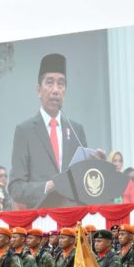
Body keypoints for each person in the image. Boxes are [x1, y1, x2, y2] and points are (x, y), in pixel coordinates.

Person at [9, 53, 88, 209]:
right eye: (49, 83)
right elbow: (15, 187)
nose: (55, 90)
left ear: (65, 91)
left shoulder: (76, 130)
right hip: (41, 220)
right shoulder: (24, 131)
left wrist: (95, 167)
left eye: (61, 84)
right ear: (39, 90)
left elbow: (84, 182)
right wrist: (48, 187)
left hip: (73, 219)